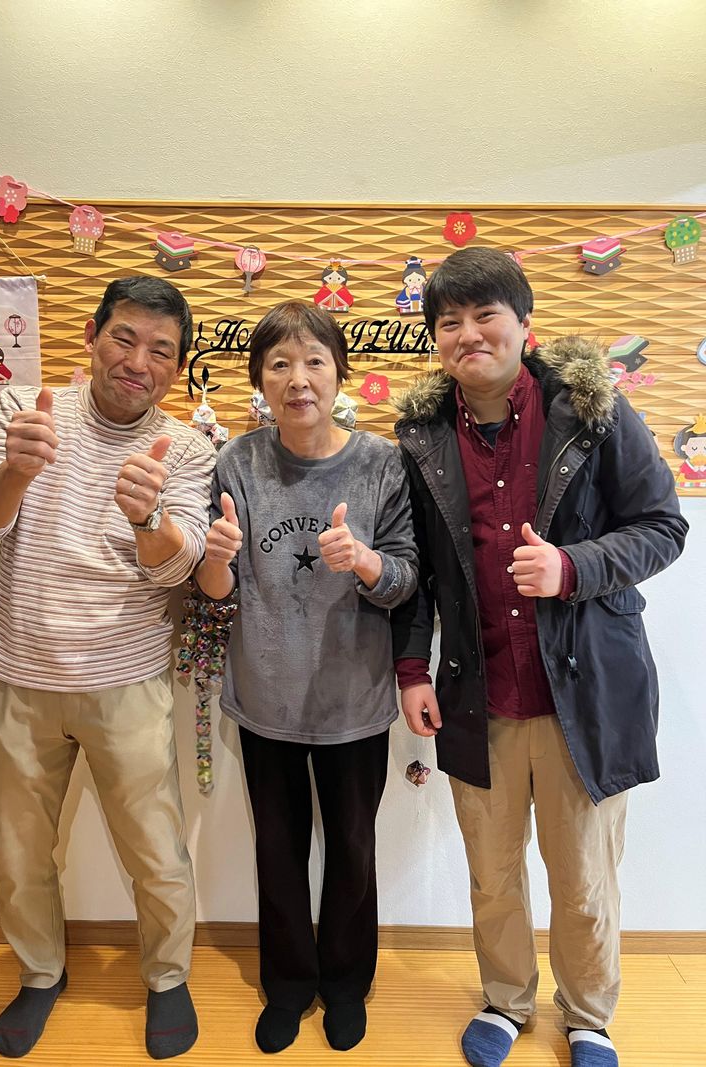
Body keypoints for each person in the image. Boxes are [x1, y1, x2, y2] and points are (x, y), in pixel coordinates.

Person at [390, 247, 688, 1067]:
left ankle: (588, 1016)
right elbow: (417, 569)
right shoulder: (421, 438)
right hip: (477, 692)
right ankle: (505, 1000)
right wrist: (412, 668)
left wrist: (573, 566)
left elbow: (664, 526)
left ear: (525, 324)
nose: (468, 333)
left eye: (485, 314)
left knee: (583, 876)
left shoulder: (592, 412)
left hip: (582, 694)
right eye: (449, 321)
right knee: (492, 874)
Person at [0, 275, 215, 1060]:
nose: (138, 361)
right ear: (92, 338)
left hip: (127, 682)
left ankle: (167, 977)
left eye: (161, 350)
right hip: (19, 675)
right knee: (17, 851)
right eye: (124, 338)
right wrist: (17, 470)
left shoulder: (187, 447)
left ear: (178, 367)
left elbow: (178, 569)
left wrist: (147, 516)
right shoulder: (24, 410)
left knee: (156, 851)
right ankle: (40, 972)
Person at [195, 300, 417, 1053]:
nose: (298, 379)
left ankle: (347, 983)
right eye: (280, 365)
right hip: (266, 697)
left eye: (314, 361)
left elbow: (407, 579)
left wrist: (367, 562)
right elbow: (215, 591)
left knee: (353, 846)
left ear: (339, 373)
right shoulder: (238, 462)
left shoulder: (382, 463)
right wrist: (215, 559)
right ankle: (288, 984)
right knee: (278, 847)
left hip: (354, 699)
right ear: (260, 381)